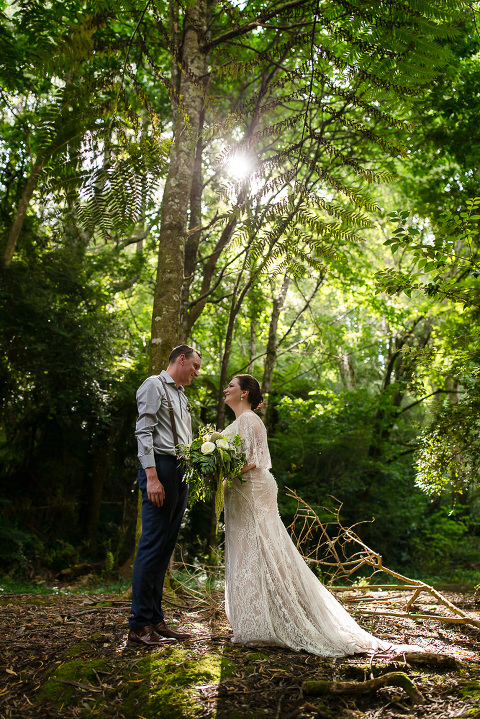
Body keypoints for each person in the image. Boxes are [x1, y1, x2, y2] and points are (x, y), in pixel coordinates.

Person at [222, 374, 408, 657]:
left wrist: (223, 471)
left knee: (261, 548)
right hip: (242, 491)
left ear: (244, 393)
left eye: (231, 386)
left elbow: (251, 461)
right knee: (251, 550)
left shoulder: (248, 420)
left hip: (251, 490)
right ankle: (258, 620)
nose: (226, 389)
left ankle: (281, 618)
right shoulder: (239, 422)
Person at [128, 344, 201, 647]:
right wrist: (152, 477)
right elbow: (143, 432)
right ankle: (139, 625)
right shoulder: (153, 386)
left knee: (165, 548)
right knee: (152, 545)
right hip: (161, 469)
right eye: (195, 366)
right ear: (180, 360)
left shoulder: (181, 396)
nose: (197, 372)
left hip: (181, 470)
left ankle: (156, 620)